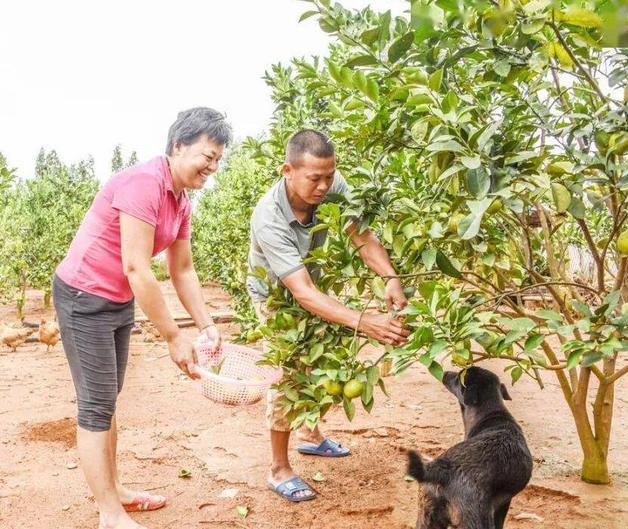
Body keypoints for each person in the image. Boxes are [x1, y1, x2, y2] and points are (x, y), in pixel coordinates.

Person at [53, 107, 232, 529]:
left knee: (107, 401)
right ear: (178, 146)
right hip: (84, 296)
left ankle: (115, 494)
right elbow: (136, 266)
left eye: (218, 160)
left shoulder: (182, 199)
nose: (212, 166)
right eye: (207, 155)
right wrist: (172, 336)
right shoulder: (143, 184)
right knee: (97, 406)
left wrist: (205, 323)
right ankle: (109, 514)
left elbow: (182, 269)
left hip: (117, 300)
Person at [247, 129, 409, 502]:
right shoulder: (268, 217)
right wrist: (366, 322)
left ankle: (310, 434)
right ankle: (278, 468)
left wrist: (391, 278)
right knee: (290, 374)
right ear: (288, 170)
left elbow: (362, 236)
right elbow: (300, 292)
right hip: (276, 295)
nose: (324, 186)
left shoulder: (333, 184)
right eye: (314, 178)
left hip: (311, 285)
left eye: (329, 176)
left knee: (327, 360)